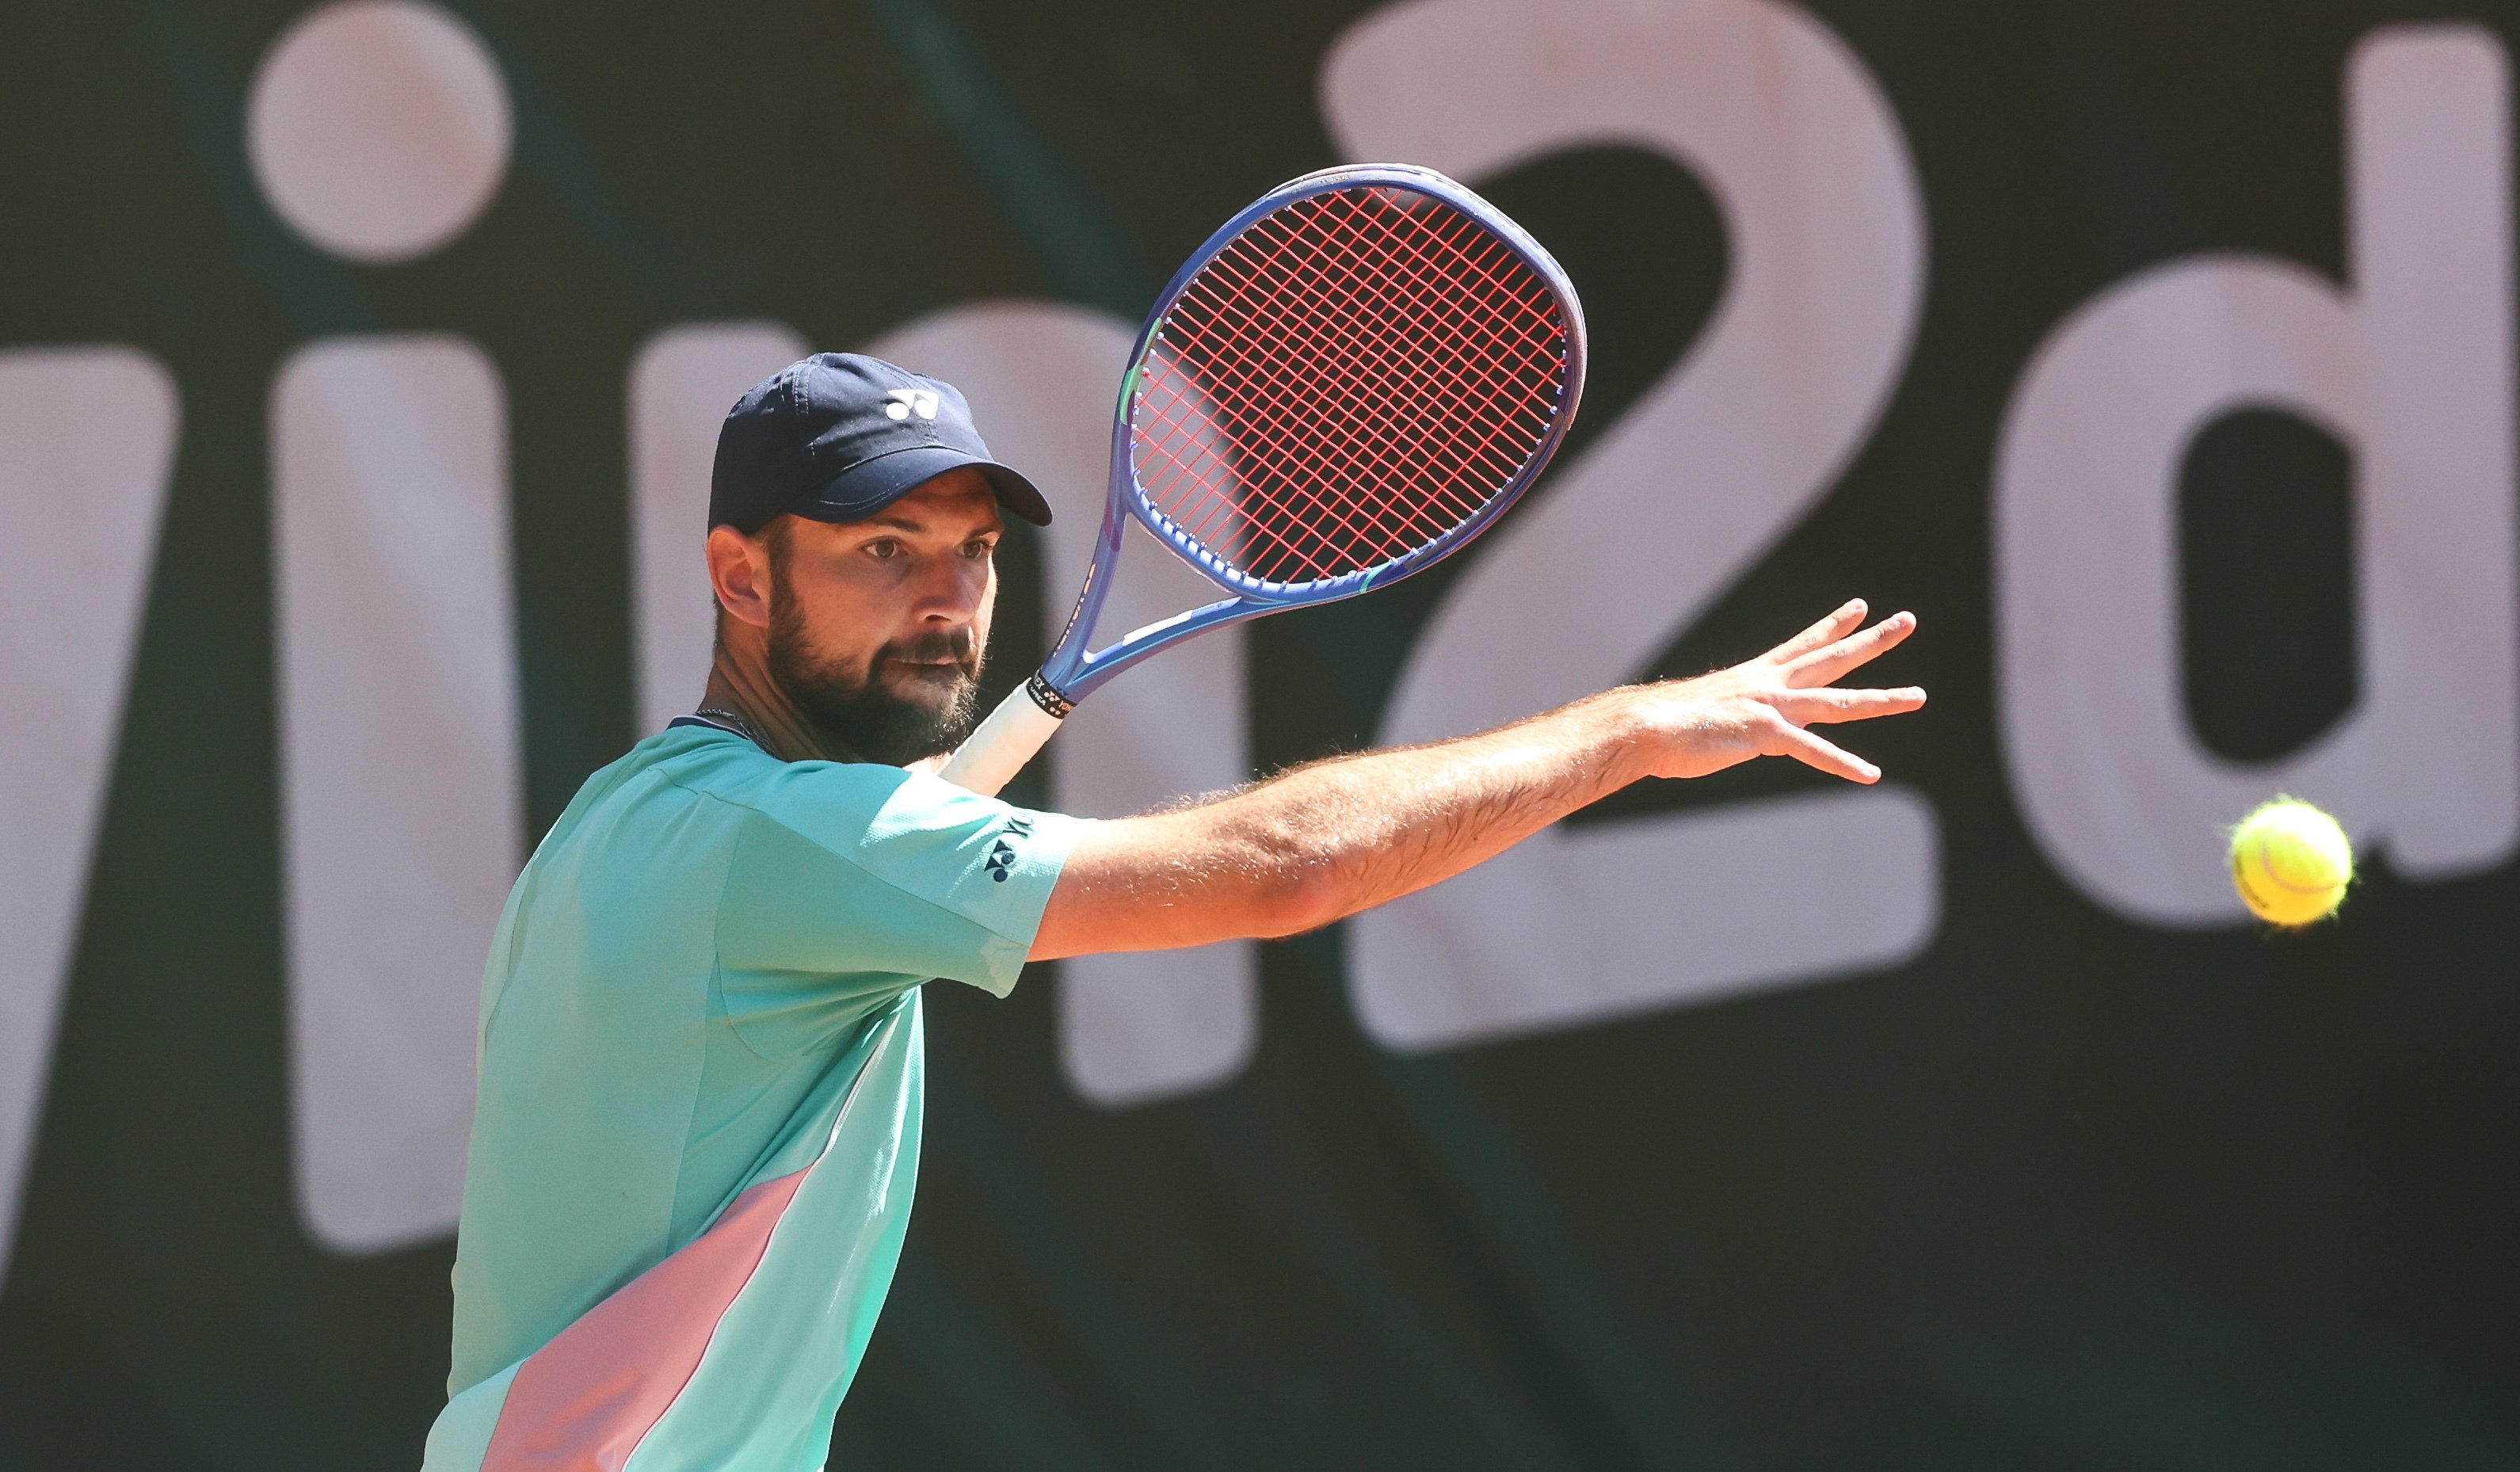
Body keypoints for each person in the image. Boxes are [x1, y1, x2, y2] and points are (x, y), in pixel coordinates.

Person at [418, 353, 1924, 1469]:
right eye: (884, 550)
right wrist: (1630, 730)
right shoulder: (773, 843)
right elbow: (1287, 866)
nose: (947, 596)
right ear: (739, 578)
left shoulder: (633, 823)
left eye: (975, 550)